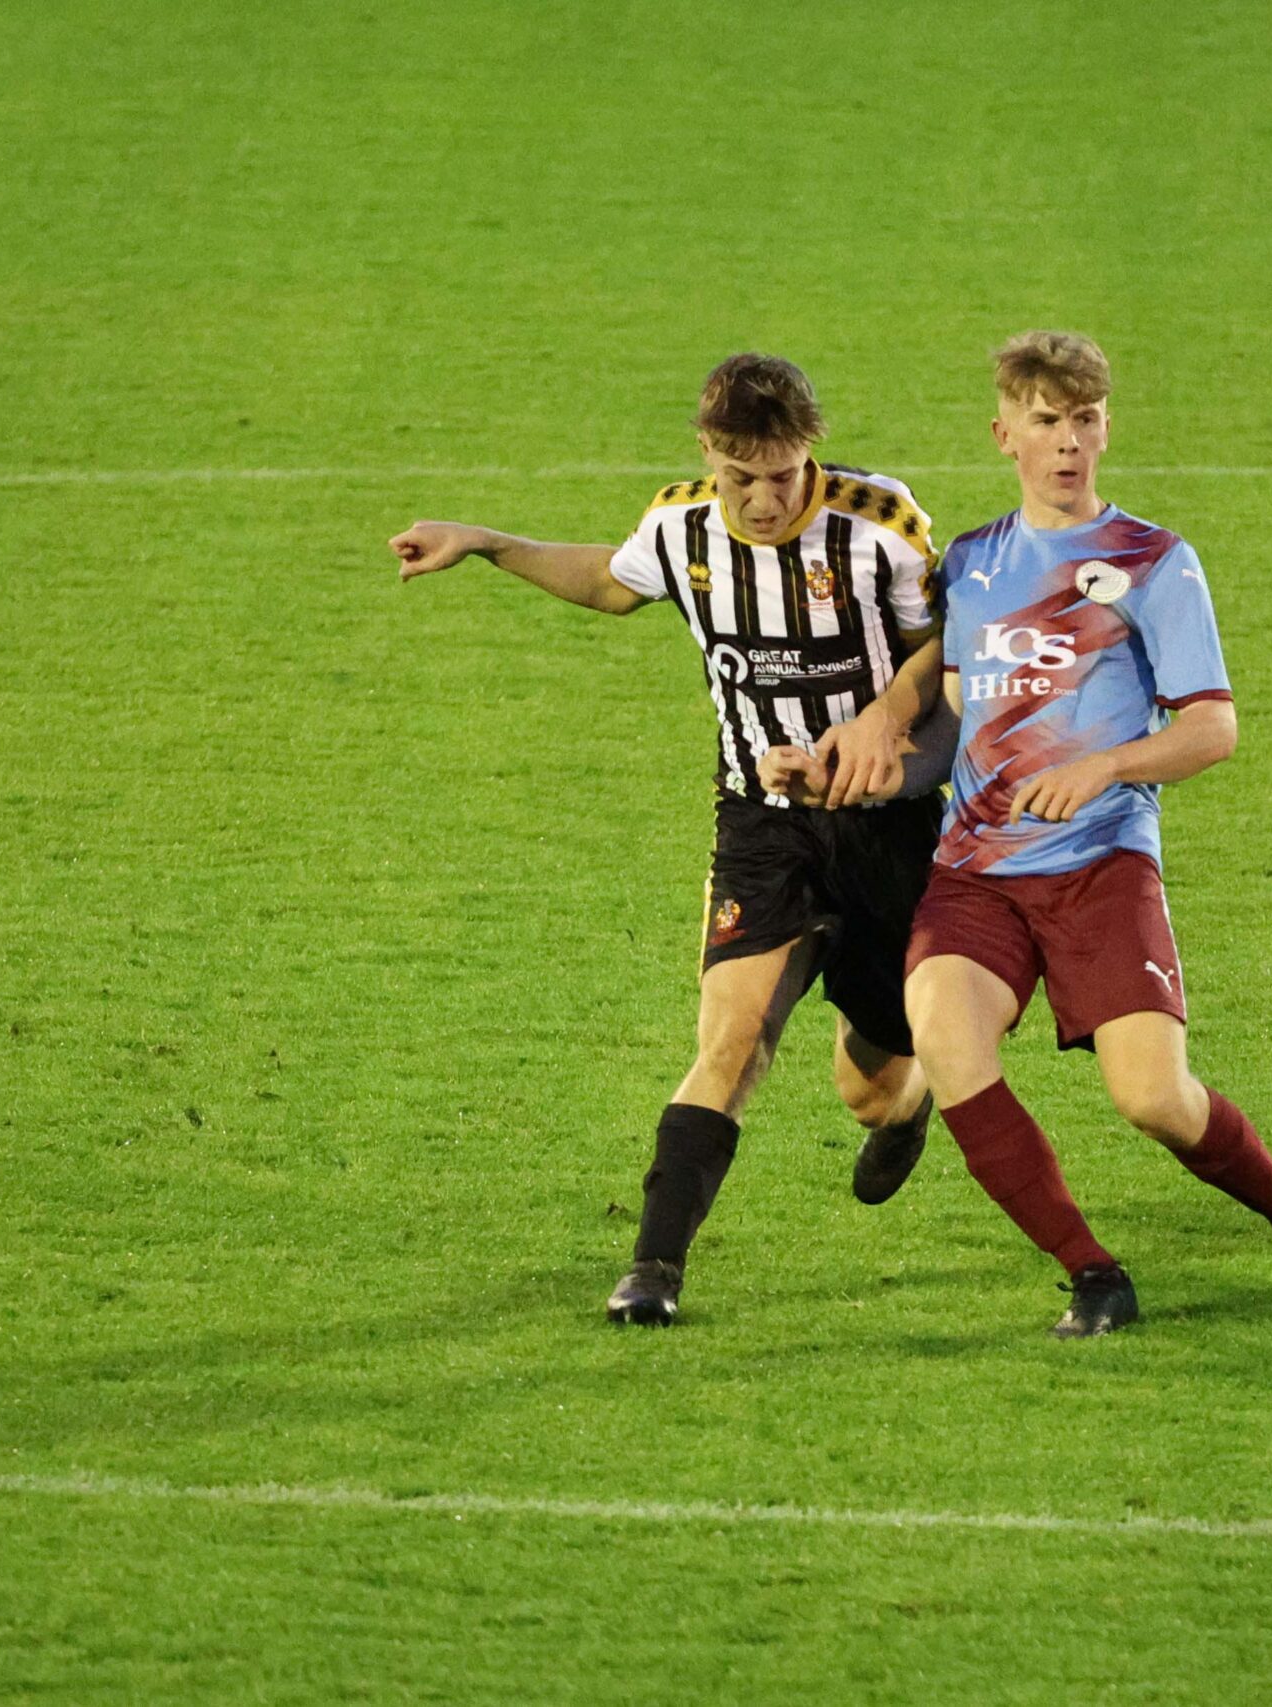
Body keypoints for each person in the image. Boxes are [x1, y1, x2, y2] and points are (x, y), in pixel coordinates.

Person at [762, 331, 1272, 1336]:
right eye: (1046, 422)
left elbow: (1213, 728)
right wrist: (839, 780)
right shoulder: (975, 565)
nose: (1069, 442)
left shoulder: (1152, 562)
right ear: (1005, 435)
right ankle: (1091, 1272)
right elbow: (954, 740)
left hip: (1100, 869)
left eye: (1084, 420)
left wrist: (1105, 765)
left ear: (1105, 427)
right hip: (977, 874)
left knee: (1154, 1101)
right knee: (947, 1045)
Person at [391, 353, 953, 1326]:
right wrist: (484, 541)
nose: (768, 498)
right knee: (735, 1039)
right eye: (745, 478)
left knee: (875, 1078)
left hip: (887, 830)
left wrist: (880, 729)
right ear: (709, 454)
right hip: (760, 827)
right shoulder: (678, 526)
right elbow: (611, 583)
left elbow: (954, 646)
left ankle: (910, 1106)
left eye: (785, 474)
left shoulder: (879, 525)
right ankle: (653, 1270)